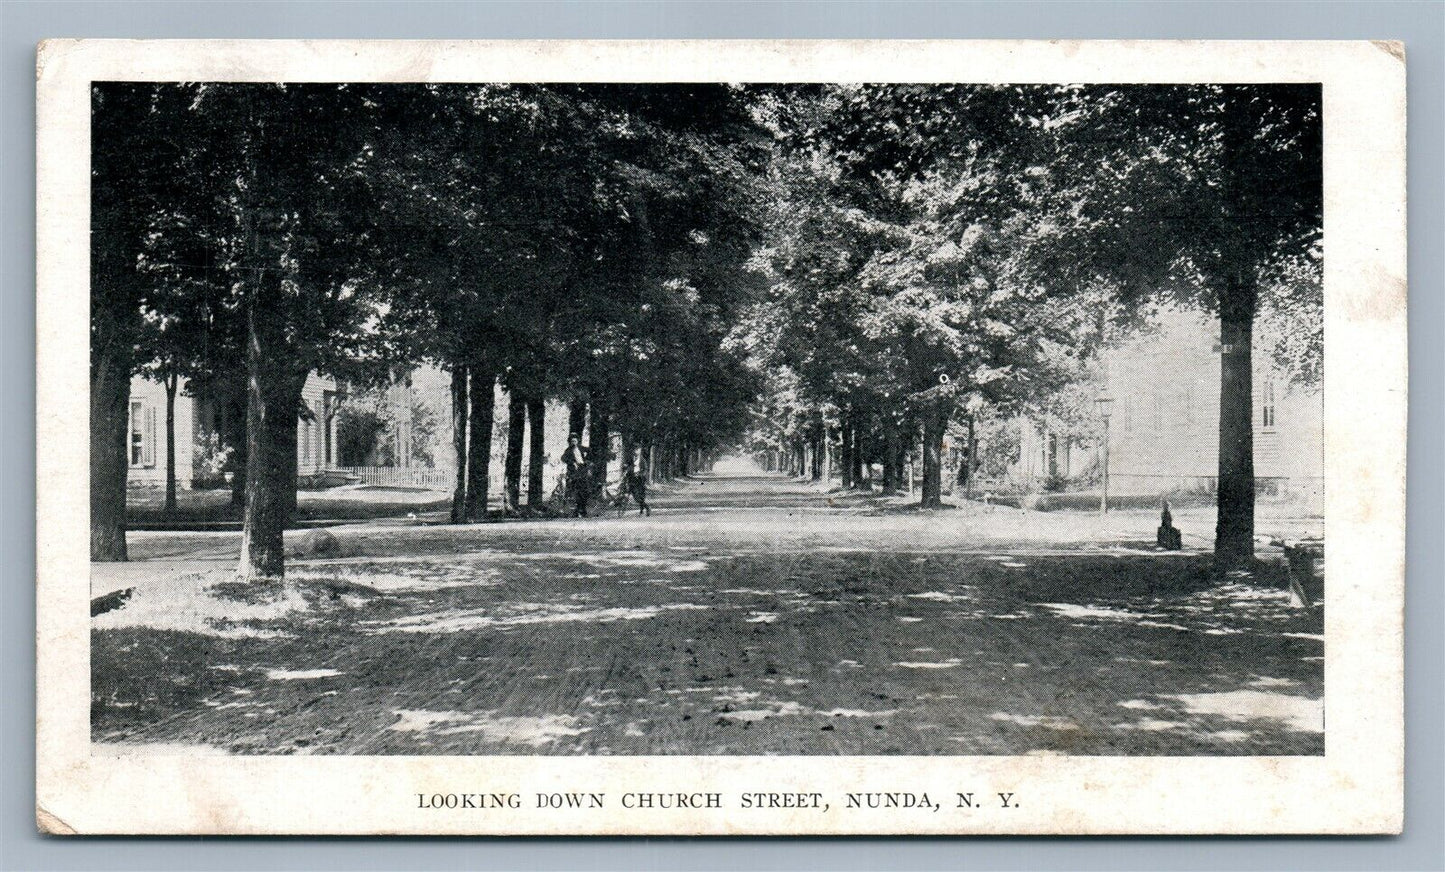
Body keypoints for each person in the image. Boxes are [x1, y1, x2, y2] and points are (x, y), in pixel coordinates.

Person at [562, 434, 589, 517]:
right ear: (570, 442)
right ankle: (576, 511)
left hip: (583, 470)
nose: (573, 443)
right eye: (572, 441)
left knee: (584, 491)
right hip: (574, 472)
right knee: (576, 492)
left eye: (575, 441)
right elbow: (563, 458)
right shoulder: (568, 450)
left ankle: (583, 510)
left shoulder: (582, 448)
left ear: (578, 441)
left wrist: (587, 461)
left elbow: (591, 452)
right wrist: (572, 463)